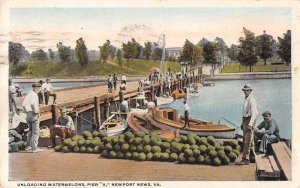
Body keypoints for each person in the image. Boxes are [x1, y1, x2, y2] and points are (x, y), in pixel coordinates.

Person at [236, 83, 258, 165]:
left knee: (247, 141)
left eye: (247, 90)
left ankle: (245, 159)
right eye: (244, 91)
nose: (245, 92)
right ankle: (252, 158)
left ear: (250, 91)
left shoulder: (252, 99)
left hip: (249, 120)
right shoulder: (246, 98)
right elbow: (244, 112)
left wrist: (250, 124)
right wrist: (242, 123)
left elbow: (255, 113)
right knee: (250, 140)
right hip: (245, 120)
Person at [22, 83, 42, 153]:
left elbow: (23, 105)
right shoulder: (34, 95)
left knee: (30, 131)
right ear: (35, 88)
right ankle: (34, 148)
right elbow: (32, 104)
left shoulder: (29, 94)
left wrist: (27, 112)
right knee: (35, 132)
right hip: (33, 114)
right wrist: (35, 111)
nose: (40, 89)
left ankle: (28, 146)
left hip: (28, 114)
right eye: (39, 88)